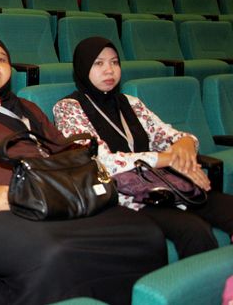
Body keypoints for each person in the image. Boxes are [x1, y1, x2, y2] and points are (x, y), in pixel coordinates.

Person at [0, 34, 167, 305]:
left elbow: (62, 148)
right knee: (55, 251)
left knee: (144, 233)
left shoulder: (26, 108)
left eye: (2, 59)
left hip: (49, 196)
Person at [53, 36, 233, 259]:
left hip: (165, 184)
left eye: (114, 62)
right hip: (124, 196)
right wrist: (166, 158)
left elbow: (168, 135)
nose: (109, 70)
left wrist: (185, 146)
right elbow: (99, 161)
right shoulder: (68, 109)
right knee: (195, 231)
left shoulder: (130, 102)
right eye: (98, 63)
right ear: (82, 68)